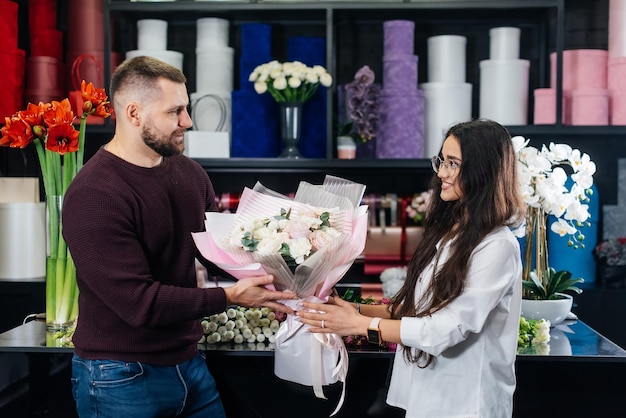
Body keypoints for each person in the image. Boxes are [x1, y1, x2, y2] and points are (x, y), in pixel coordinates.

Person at [62, 55, 296, 418]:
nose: (187, 121)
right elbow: (140, 302)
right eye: (175, 111)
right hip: (118, 377)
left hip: (189, 365)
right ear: (134, 113)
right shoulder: (94, 194)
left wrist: (288, 265)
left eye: (186, 109)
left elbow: (220, 252)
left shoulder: (190, 174)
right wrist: (232, 297)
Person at [297, 119, 526, 417]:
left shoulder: (497, 246)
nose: (442, 172)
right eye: (442, 161)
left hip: (469, 402)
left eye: (453, 163)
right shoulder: (453, 232)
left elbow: (445, 329)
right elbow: (420, 308)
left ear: (484, 170)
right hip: (431, 395)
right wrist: (353, 310)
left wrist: (360, 325)